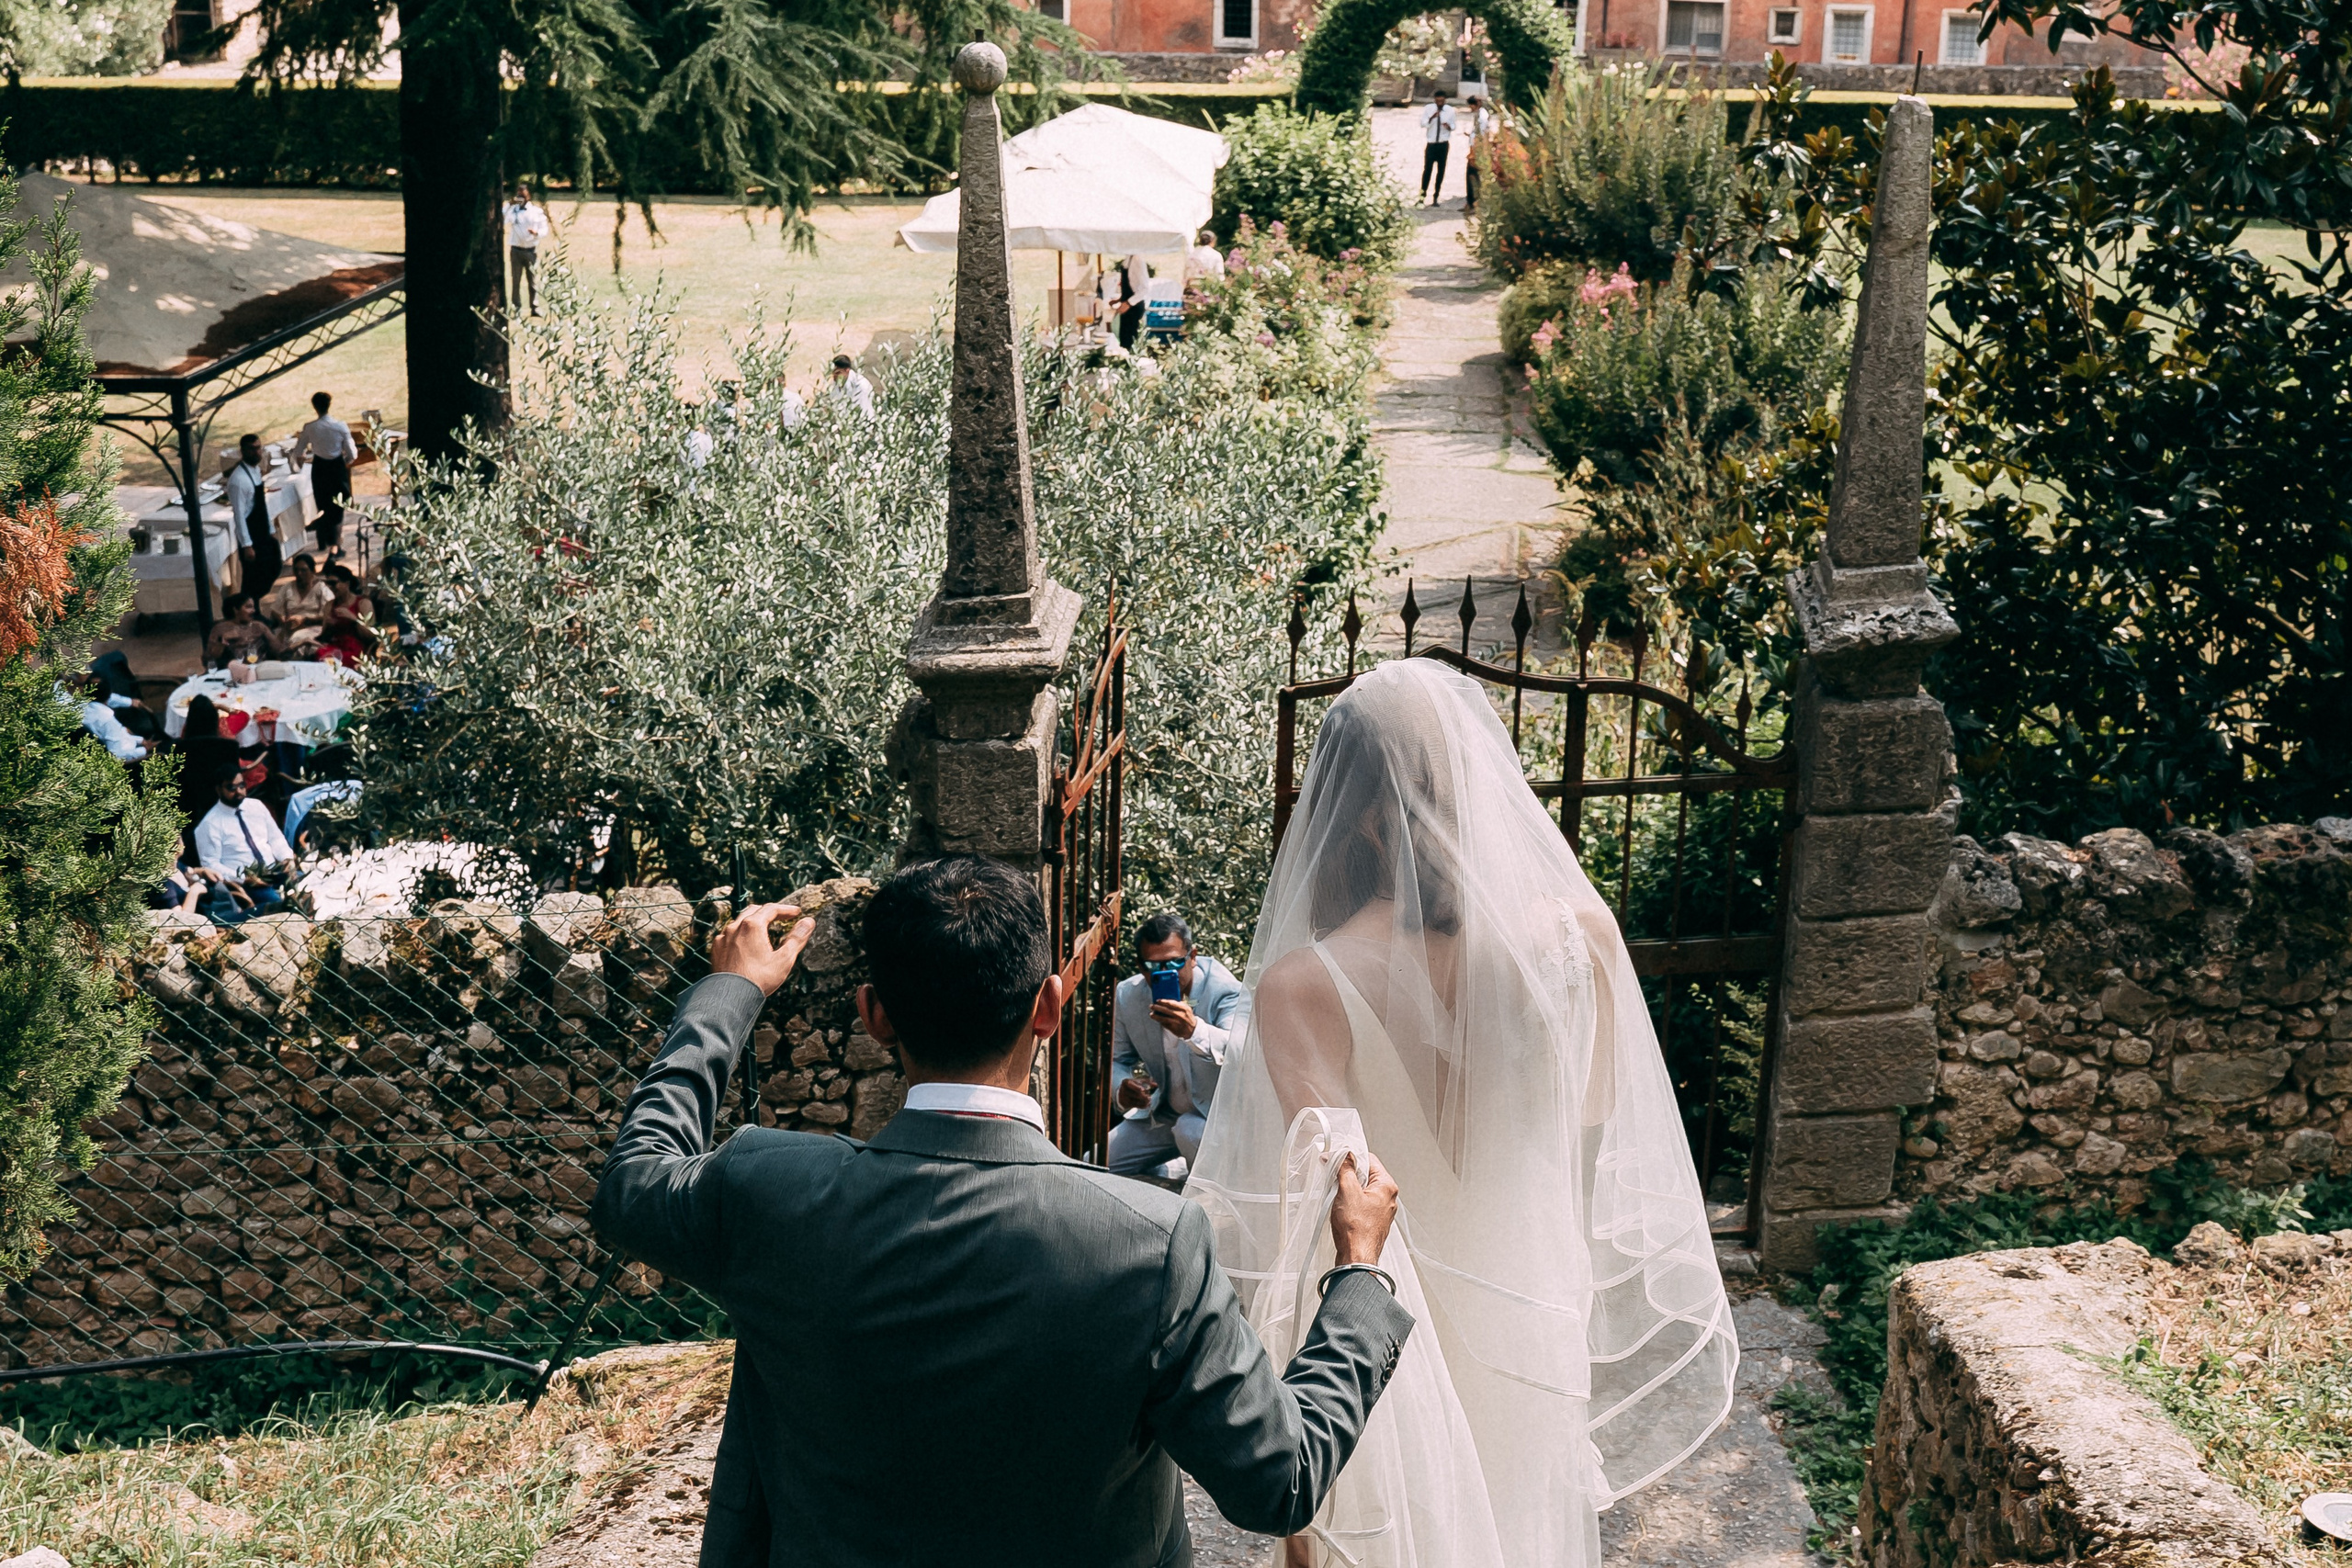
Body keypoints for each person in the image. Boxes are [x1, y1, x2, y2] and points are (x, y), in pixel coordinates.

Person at [594, 853, 1414, 1567]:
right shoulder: (1152, 1243)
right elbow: (1281, 1479)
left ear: (875, 1015)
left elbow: (633, 1180)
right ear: (1050, 1008)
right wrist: (1358, 1275)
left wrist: (728, 991)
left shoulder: (768, 1189)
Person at [1186, 659, 1737, 1568]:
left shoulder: (1298, 988)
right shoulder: (1580, 938)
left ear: (1352, 813)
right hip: (1533, 1319)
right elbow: (1591, 1118)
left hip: (1387, 1349)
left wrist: (1303, 1510)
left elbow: (1317, 1225)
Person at [1108, 909, 1250, 1179]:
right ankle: (1173, 1169)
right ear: (1140, 967)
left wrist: (1194, 1030)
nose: (1166, 973)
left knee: (1188, 1129)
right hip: (1162, 1115)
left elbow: (1240, 1051)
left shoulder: (1225, 990)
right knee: (1096, 1164)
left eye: (1174, 964)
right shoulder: (1128, 995)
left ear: (1193, 957)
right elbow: (1117, 1059)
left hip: (1213, 1119)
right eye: (1154, 967)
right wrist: (1121, 1088)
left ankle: (1191, 1173)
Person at [192, 765, 296, 921]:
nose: (239, 791)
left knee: (311, 887)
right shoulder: (209, 824)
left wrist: (287, 858)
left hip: (275, 872)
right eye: (231, 788)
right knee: (283, 908)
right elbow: (211, 865)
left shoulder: (256, 806)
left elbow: (275, 838)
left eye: (242, 785)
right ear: (219, 790)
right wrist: (243, 878)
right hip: (247, 884)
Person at [294, 391, 358, 558]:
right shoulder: (340, 426)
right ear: (329, 405)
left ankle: (322, 539)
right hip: (336, 467)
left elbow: (299, 451)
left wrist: (300, 462)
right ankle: (335, 546)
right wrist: (346, 461)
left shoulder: (310, 427)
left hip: (320, 468)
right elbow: (352, 453)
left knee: (322, 504)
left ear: (315, 407)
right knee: (337, 507)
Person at [224, 434, 281, 604]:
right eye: (252, 449)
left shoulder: (255, 471)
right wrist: (247, 545)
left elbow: (262, 505)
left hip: (263, 531)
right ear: (243, 451)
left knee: (274, 566)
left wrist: (270, 529)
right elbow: (239, 516)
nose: (257, 453)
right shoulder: (238, 480)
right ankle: (251, 610)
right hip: (252, 535)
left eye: (259, 448)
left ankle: (253, 604)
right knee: (253, 579)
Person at [62, 672, 149, 762]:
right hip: (124, 762)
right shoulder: (107, 720)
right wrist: (145, 750)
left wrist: (140, 740)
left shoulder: (79, 709)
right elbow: (117, 756)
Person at [262, 553, 335, 646]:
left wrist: (305, 619)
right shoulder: (287, 588)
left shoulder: (322, 589)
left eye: (304, 570)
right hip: (289, 631)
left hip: (314, 631)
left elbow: (330, 616)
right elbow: (275, 610)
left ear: (313, 571)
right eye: (296, 570)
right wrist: (282, 619)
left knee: (299, 640)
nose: (299, 574)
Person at [504, 184, 551, 316]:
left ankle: (534, 307)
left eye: (523, 196)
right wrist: (509, 205)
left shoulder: (536, 212)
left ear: (528, 196)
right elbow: (501, 219)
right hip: (516, 251)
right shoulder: (512, 211)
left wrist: (536, 233)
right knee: (516, 280)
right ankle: (516, 307)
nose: (521, 199)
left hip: (531, 250)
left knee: (533, 281)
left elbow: (544, 229)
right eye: (519, 196)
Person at [205, 592, 281, 666]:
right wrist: (222, 641)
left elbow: (278, 649)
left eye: (253, 607)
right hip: (232, 672)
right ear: (236, 610)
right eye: (248, 607)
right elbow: (208, 659)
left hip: (259, 669)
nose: (253, 610)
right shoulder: (220, 628)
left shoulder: (258, 626)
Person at [1419, 90, 1458, 205]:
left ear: (1445, 100)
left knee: (1440, 171)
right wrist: (1432, 118)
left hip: (1443, 144)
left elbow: (1454, 126)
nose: (1439, 103)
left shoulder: (1450, 110)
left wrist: (1449, 126)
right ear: (1435, 100)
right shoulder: (1428, 109)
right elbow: (1422, 124)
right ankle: (1422, 196)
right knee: (1427, 170)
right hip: (1431, 143)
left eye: (1442, 101)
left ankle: (1436, 197)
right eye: (1438, 101)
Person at [1464, 94, 1496, 213]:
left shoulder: (1482, 116)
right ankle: (1470, 202)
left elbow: (1481, 134)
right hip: (1475, 150)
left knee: (1473, 177)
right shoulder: (1479, 115)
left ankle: (1474, 203)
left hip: (1477, 152)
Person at [827, 353, 874, 418]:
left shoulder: (861, 385)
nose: (834, 376)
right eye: (833, 373)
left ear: (847, 370)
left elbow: (861, 411)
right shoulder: (837, 381)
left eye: (838, 373)